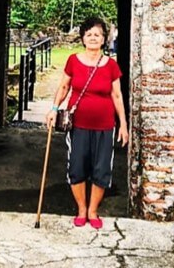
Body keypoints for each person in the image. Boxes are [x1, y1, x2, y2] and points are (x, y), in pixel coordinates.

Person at [46, 17, 129, 229]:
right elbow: (64, 87)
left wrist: (123, 124)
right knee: (77, 166)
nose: (93, 38)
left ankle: (93, 211)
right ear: (83, 38)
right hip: (78, 125)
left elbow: (117, 95)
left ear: (103, 39)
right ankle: (82, 209)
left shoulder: (111, 65)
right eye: (89, 34)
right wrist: (54, 110)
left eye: (98, 35)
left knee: (101, 168)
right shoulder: (73, 61)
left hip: (104, 126)